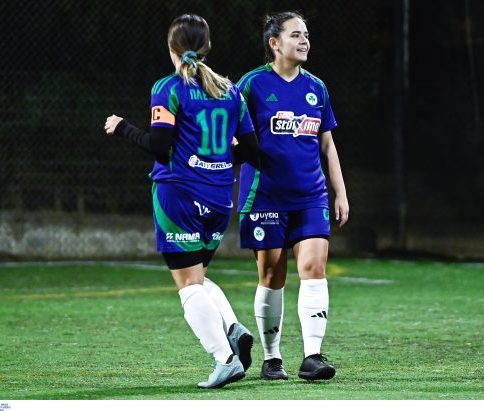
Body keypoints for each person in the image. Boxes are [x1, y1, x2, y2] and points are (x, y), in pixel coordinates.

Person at [104, 14, 260, 389]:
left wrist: (121, 127)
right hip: (221, 199)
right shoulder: (231, 91)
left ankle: (225, 359)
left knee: (189, 284)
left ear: (172, 48)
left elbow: (159, 147)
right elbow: (253, 151)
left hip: (179, 195)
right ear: (207, 48)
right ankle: (233, 328)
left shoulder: (168, 87)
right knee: (198, 276)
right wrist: (217, 160)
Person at [236, 11, 349, 381]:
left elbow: (328, 145)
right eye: (296, 35)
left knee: (314, 269)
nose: (304, 41)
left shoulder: (317, 87)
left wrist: (340, 192)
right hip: (265, 196)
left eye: (307, 35)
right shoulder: (251, 85)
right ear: (275, 43)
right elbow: (232, 134)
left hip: (310, 196)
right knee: (272, 276)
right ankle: (272, 358)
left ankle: (313, 357)